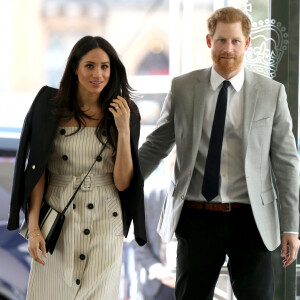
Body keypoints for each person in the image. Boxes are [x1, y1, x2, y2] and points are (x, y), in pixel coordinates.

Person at [138, 7, 300, 300]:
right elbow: (157, 145)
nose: (228, 49)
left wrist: (291, 226)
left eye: (236, 41)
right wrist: (122, 184)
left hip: (251, 219)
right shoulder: (183, 88)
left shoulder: (271, 92)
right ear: (209, 41)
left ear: (247, 43)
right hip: (197, 217)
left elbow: (287, 164)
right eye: (222, 40)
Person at [7, 35, 147, 300]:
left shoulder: (125, 112)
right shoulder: (49, 108)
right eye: (90, 66)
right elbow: (38, 173)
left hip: (106, 223)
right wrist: (34, 229)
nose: (98, 74)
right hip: (59, 220)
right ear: (75, 67)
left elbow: (122, 183)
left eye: (105, 66)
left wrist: (124, 131)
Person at [132, 152, 176, 300]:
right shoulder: (150, 197)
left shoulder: (200, 203)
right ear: (169, 166)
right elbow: (137, 241)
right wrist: (158, 270)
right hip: (158, 285)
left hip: (190, 281)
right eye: (174, 164)